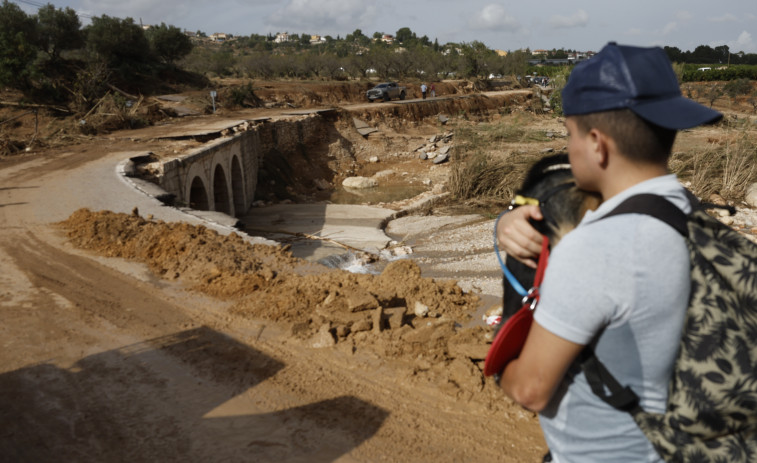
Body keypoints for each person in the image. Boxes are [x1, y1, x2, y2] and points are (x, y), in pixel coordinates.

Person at [495, 42, 722, 462]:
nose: (569, 148)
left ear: (597, 145)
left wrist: (500, 367)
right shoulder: (693, 216)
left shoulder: (599, 248)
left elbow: (530, 389)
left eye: (569, 135)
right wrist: (510, 218)